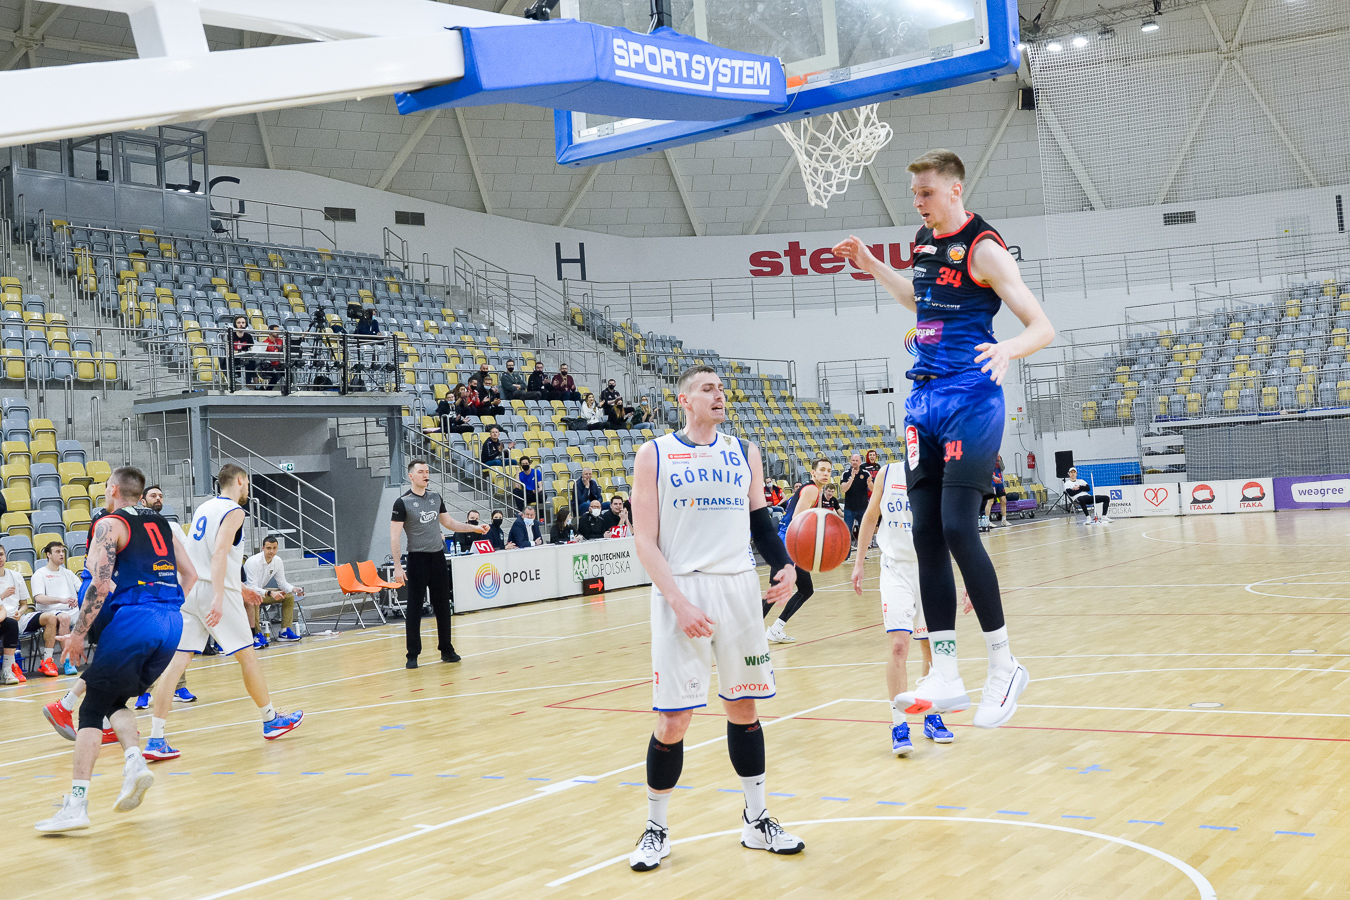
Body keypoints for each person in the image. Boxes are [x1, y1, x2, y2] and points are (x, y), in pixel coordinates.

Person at [832, 148, 1054, 729]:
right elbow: (918, 301)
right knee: (925, 532)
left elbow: (1042, 326)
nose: (918, 202)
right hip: (922, 402)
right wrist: (871, 265)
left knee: (957, 527)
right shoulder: (923, 242)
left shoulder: (984, 248)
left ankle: (1004, 664)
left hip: (971, 397)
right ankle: (948, 672)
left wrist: (1008, 348)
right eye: (914, 194)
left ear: (955, 190)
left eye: (926, 192)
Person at [626, 364, 802, 872]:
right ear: (684, 400)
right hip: (682, 588)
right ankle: (656, 828)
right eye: (708, 389)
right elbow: (644, 540)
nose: (719, 395)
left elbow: (760, 523)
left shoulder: (744, 451)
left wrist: (785, 565)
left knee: (744, 707)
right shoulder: (654, 453)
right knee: (673, 719)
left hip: (737, 587)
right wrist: (678, 601)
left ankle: (756, 819)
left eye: (721, 389)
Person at [35, 466, 199, 832]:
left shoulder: (109, 524)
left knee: (91, 710)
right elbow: (191, 575)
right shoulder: (164, 524)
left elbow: (100, 584)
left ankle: (77, 805)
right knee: (113, 701)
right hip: (171, 623)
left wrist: (78, 634)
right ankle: (134, 762)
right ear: (141, 494)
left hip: (135, 620)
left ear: (112, 490)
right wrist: (167, 606)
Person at [143, 465, 305, 762]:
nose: (248, 490)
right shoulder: (235, 511)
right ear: (240, 481)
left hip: (191, 589)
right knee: (248, 657)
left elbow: (202, 557)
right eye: (247, 484)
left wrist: (240, 588)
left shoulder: (204, 508)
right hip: (213, 592)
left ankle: (155, 738)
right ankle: (271, 720)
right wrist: (220, 596)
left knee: (176, 664)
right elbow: (218, 554)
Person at [851, 461, 953, 756]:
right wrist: (859, 562)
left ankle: (931, 715)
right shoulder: (888, 473)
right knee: (898, 646)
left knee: (931, 648)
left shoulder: (940, 474)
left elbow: (954, 525)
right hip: (895, 569)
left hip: (930, 567)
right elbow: (871, 516)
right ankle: (899, 724)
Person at [391, 460, 488, 669]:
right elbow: (394, 536)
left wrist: (474, 528)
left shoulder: (435, 497)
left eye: (427, 471)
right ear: (411, 476)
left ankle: (447, 649)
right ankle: (412, 654)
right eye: (421, 472)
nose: (425, 475)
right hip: (417, 559)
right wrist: (398, 566)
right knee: (415, 607)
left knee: (443, 605)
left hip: (437, 558)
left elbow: (449, 523)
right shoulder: (402, 502)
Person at [764, 457, 832, 644]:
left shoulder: (815, 490)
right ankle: (749, 633)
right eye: (822, 470)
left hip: (790, 543)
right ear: (813, 473)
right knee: (778, 590)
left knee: (805, 589)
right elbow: (797, 519)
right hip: (788, 544)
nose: (826, 473)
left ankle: (776, 628)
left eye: (829, 471)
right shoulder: (811, 490)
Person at [27, 540, 81, 676]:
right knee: (64, 617)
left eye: (62, 551)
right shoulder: (39, 574)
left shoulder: (68, 573)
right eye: (57, 551)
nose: (62, 554)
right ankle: (68, 661)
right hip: (50, 611)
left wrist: (78, 599)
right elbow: (39, 598)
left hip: (72, 610)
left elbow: (82, 590)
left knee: (98, 612)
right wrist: (61, 600)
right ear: (48, 555)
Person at [243, 535, 305, 645]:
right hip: (246, 594)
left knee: (288, 596)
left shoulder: (278, 561)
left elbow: (282, 583)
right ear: (263, 548)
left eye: (274, 548)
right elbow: (251, 587)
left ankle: (284, 632)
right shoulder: (253, 562)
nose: (271, 551)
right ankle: (256, 634)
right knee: (254, 598)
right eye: (268, 548)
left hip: (262, 592)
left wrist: (294, 588)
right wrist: (270, 593)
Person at [0, 544, 31, 684]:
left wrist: (20, 612)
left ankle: (7, 670)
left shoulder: (15, 576)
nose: (0, 558)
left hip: (10, 619)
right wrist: (3, 595)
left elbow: (24, 604)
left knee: (11, 623)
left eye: (1, 554)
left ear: (5, 556)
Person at [840, 453, 873, 545]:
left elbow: (872, 489)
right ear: (850, 461)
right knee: (847, 530)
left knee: (864, 530)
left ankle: (863, 550)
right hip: (849, 508)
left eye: (856, 461)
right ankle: (846, 551)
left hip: (863, 507)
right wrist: (852, 478)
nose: (854, 462)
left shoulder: (865, 473)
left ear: (860, 462)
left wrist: (869, 483)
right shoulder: (845, 474)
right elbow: (844, 489)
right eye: (853, 460)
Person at [227, 314, 257, 389]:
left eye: (243, 323)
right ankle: (250, 381)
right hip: (235, 358)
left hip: (245, 358)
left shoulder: (248, 336)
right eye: (239, 323)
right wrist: (240, 352)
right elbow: (229, 351)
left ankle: (250, 383)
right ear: (235, 324)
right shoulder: (230, 335)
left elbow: (252, 349)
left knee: (252, 362)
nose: (241, 325)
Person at [983, 454, 1009, 529]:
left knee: (1003, 500)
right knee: (990, 501)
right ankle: (987, 521)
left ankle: (1004, 520)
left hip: (999, 482)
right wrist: (994, 478)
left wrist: (999, 460)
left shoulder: (999, 457)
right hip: (991, 482)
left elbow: (1002, 468)